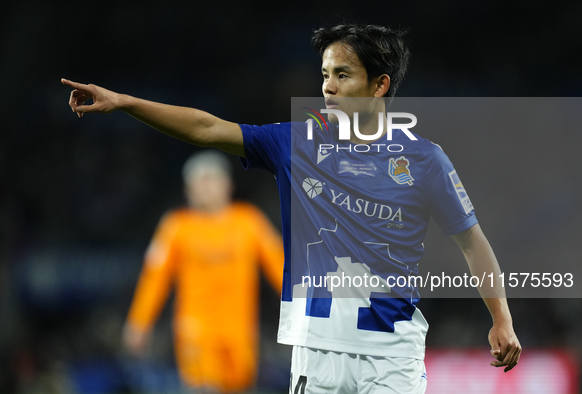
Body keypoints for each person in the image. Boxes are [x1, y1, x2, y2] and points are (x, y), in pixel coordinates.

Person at [63, 22, 521, 394]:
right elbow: (205, 127)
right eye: (324, 74)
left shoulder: (424, 159)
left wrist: (501, 317)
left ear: (380, 84)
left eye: (343, 75)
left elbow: (471, 241)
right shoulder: (295, 143)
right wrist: (125, 103)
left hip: (393, 357)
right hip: (316, 355)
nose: (328, 87)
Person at [122, 150, 284, 393]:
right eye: (199, 181)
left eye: (211, 180)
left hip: (240, 334)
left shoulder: (249, 222)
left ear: (228, 185)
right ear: (188, 189)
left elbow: (281, 267)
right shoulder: (176, 226)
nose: (205, 187)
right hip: (197, 333)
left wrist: (310, 307)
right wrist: (139, 322)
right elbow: (155, 277)